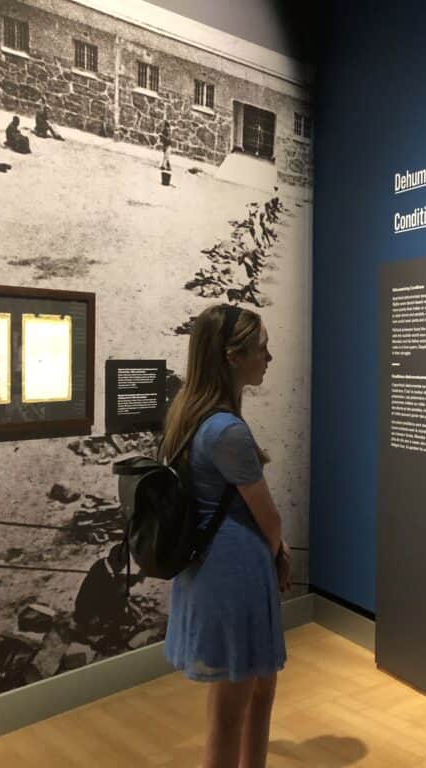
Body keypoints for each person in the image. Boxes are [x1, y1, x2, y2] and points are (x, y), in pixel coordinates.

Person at [162, 304, 290, 768]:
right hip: (235, 572)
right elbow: (269, 518)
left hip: (210, 567)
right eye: (261, 349)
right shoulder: (227, 430)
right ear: (233, 357)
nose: (268, 358)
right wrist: (277, 556)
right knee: (238, 704)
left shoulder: (187, 413)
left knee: (245, 689)